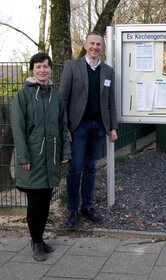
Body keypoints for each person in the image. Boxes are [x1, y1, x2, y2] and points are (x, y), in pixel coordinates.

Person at [11, 53, 71, 262]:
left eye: (46, 67)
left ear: (50, 70)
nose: (42, 70)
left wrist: (66, 152)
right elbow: (18, 129)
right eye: (38, 67)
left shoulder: (55, 96)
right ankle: (36, 241)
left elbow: (63, 126)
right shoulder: (23, 95)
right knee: (35, 201)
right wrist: (23, 157)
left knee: (45, 200)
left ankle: (40, 237)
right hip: (32, 158)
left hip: (51, 158)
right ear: (32, 70)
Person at [60, 31, 118, 230]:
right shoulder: (72, 66)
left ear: (102, 47)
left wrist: (112, 126)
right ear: (85, 45)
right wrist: (65, 126)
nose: (95, 47)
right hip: (78, 127)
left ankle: (87, 206)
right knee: (75, 169)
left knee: (91, 168)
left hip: (98, 127)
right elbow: (63, 99)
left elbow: (111, 102)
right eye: (91, 43)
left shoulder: (108, 71)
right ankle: (72, 210)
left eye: (98, 44)